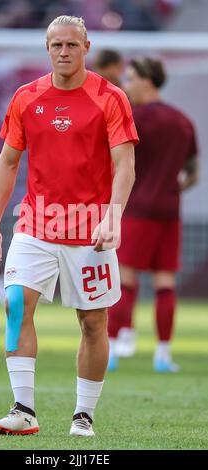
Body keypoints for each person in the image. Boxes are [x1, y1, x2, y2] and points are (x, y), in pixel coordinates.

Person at [0, 15, 139, 437]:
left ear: (86, 46)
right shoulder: (25, 97)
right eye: (56, 45)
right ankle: (22, 409)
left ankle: (83, 415)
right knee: (15, 306)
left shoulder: (110, 97)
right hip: (35, 224)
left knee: (93, 322)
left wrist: (113, 215)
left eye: (72, 45)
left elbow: (125, 163)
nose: (64, 52)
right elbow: (9, 161)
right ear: (47, 48)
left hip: (91, 231)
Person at [107, 57, 198, 372]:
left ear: (147, 80)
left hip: (137, 210)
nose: (126, 84)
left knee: (126, 281)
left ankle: (112, 350)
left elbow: (116, 165)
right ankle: (163, 354)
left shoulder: (133, 119)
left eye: (130, 78)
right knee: (164, 284)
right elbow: (193, 173)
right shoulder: (182, 121)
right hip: (169, 211)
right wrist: (170, 190)